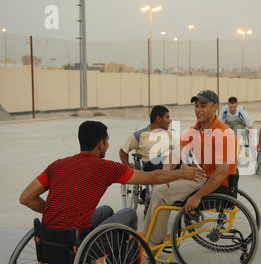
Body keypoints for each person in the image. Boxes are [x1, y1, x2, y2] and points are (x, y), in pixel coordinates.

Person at [19, 120, 204, 238]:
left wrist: (55, 212)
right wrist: (182, 173)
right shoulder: (107, 168)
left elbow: (26, 198)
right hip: (76, 241)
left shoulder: (57, 165)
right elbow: (152, 177)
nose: (107, 145)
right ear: (101, 143)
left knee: (106, 210)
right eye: (107, 141)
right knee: (129, 214)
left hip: (48, 238)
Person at [141, 89, 238, 247]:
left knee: (160, 194)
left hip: (219, 185)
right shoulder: (195, 130)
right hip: (204, 178)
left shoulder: (224, 134)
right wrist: (166, 174)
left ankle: (151, 243)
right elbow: (175, 155)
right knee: (160, 188)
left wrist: (197, 196)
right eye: (196, 106)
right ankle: (146, 239)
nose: (198, 110)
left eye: (203, 106)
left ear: (215, 108)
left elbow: (221, 174)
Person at [119, 105, 177, 172]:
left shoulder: (171, 134)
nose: (170, 121)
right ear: (158, 119)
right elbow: (123, 151)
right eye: (167, 117)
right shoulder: (139, 135)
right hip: (150, 166)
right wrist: (127, 167)